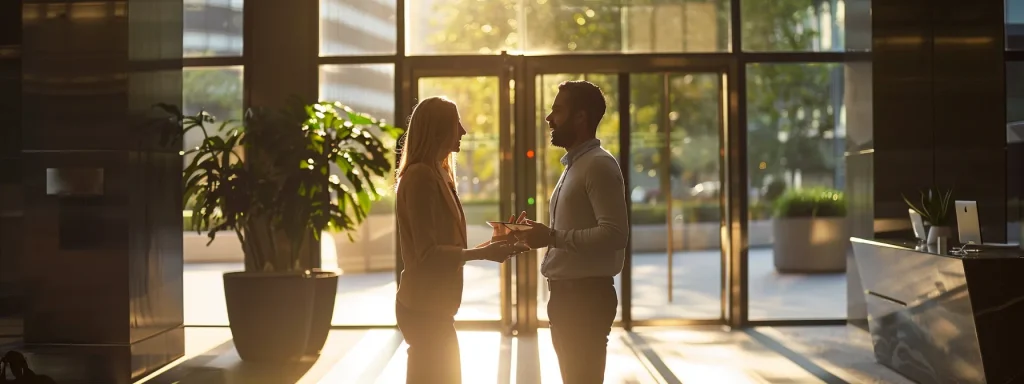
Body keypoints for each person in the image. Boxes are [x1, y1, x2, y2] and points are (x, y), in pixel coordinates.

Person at [394, 96, 528, 384]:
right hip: (423, 308)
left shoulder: (438, 174)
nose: (463, 130)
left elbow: (444, 246)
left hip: (434, 306)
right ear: (439, 128)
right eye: (456, 123)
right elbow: (427, 254)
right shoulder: (420, 177)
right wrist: (482, 254)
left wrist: (488, 247)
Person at [514, 81, 629, 384]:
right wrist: (535, 234)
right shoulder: (576, 165)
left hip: (585, 299)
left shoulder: (599, 165)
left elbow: (615, 234)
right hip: (569, 298)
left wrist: (551, 237)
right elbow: (571, 229)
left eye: (558, 111)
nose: (549, 118)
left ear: (581, 117)